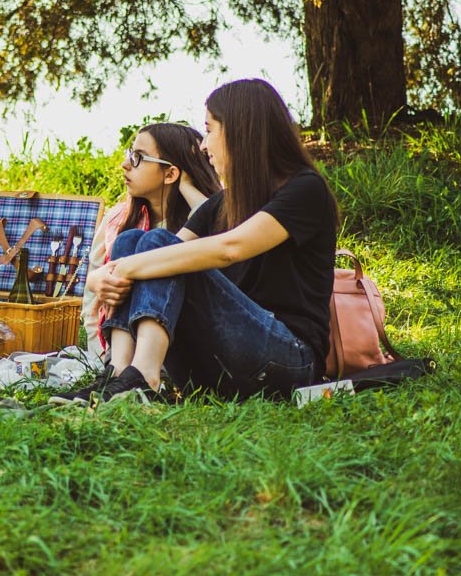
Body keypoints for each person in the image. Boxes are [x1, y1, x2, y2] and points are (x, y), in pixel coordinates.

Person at [54, 79, 337, 404]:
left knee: (156, 247)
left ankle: (144, 377)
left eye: (210, 130)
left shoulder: (304, 190)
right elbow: (160, 262)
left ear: (242, 130)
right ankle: (119, 373)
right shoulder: (222, 205)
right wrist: (100, 276)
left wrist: (121, 269)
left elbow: (230, 249)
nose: (203, 145)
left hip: (288, 359)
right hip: (221, 362)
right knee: (133, 239)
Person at [80, 122, 220, 356]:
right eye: (129, 154)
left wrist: (186, 187)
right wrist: (101, 356)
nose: (125, 165)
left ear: (171, 173)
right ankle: (119, 367)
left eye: (138, 157)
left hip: (187, 350)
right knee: (129, 240)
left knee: (157, 242)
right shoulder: (118, 221)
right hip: (121, 349)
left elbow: (216, 221)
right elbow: (92, 303)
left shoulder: (203, 220)